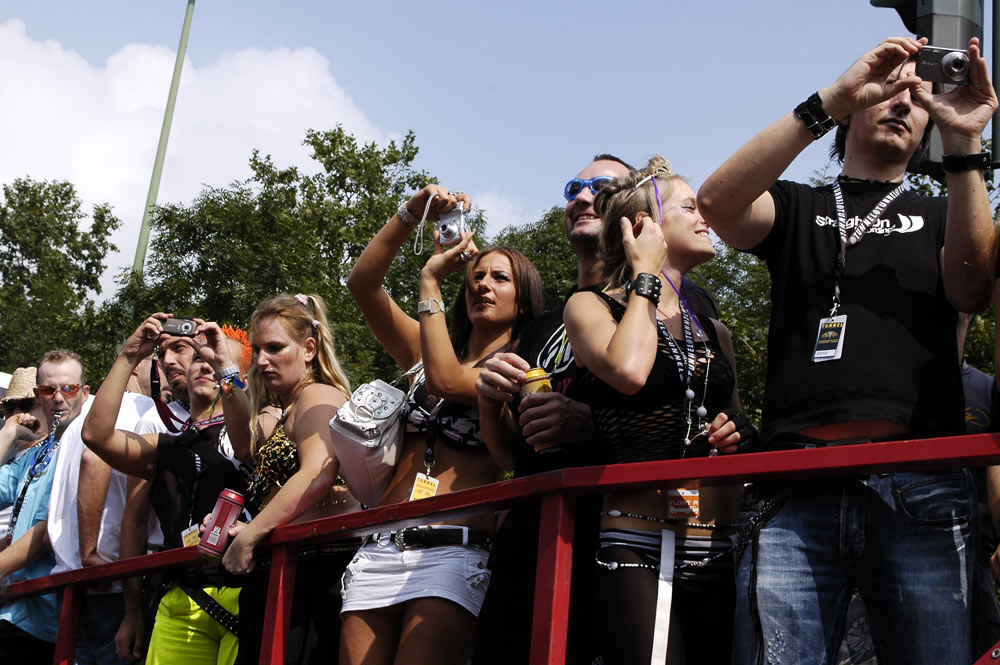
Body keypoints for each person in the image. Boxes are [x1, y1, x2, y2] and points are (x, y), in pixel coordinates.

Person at [697, 36, 997, 665]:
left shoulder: (944, 210)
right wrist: (826, 101)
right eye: (891, 86)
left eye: (920, 96)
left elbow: (973, 284)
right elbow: (716, 204)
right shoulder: (798, 204)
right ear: (855, 106)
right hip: (794, 485)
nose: (904, 102)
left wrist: (966, 144)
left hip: (921, 482)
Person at [560, 156, 752, 664]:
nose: (704, 216)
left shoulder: (714, 330)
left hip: (718, 542)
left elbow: (739, 424)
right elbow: (627, 370)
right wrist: (645, 271)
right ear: (644, 225)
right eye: (690, 207)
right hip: (635, 539)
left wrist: (736, 431)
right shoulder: (590, 307)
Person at [344, 184, 543, 665]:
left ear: (524, 297)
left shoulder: (521, 366)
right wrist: (410, 213)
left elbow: (450, 380)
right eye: (476, 275)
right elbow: (362, 284)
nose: (483, 284)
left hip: (454, 550)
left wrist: (430, 284)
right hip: (379, 545)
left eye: (500, 277)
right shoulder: (423, 351)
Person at [82, 315, 253, 665]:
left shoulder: (259, 433)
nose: (206, 365)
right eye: (201, 358)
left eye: (218, 361)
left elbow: (248, 442)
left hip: (246, 593)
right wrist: (129, 356)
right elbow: (96, 437)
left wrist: (227, 369)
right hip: (177, 598)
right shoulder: (165, 445)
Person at [219, 293, 359, 665]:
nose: (262, 360)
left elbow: (318, 472)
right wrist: (224, 369)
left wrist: (250, 534)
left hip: (317, 566)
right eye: (257, 348)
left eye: (275, 348)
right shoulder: (286, 409)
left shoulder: (318, 395)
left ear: (309, 348)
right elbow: (241, 447)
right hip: (285, 568)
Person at [0, 350, 90, 663]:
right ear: (40, 396)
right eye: (49, 390)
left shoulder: (82, 444)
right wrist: (9, 432)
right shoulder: (42, 450)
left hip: (49, 618)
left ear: (84, 392)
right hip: (17, 609)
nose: (59, 398)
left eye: (69, 388)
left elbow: (44, 530)